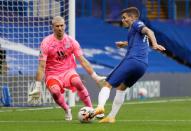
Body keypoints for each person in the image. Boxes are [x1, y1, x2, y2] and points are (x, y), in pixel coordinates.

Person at [91, 7, 166, 123]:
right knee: (121, 88)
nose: (123, 20)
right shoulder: (134, 30)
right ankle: (111, 117)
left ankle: (100, 107)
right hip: (142, 66)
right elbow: (139, 40)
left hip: (132, 60)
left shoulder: (137, 24)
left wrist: (155, 44)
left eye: (124, 17)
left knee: (107, 84)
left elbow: (149, 31)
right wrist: (124, 43)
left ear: (132, 18)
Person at [28, 16, 105, 121]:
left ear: (65, 26)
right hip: (52, 73)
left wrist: (95, 77)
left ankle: (91, 110)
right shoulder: (46, 43)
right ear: (53, 27)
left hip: (68, 71)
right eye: (57, 26)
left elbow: (82, 60)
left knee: (77, 81)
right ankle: (66, 109)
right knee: (55, 92)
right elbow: (42, 66)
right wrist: (37, 86)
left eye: (61, 25)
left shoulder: (71, 41)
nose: (60, 28)